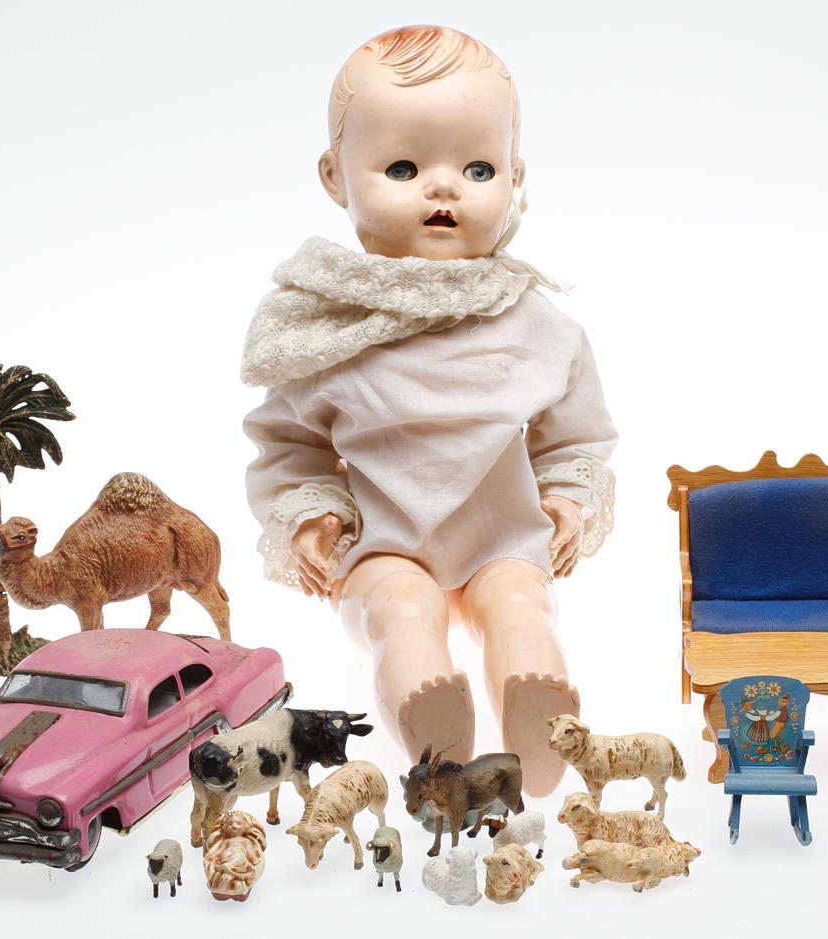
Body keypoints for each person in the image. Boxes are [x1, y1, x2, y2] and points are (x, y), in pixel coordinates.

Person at [240, 25, 616, 795]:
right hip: (385, 541)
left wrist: (567, 499)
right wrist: (311, 513)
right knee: (402, 610)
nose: (443, 189)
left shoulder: (534, 322)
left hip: (500, 535)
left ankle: (539, 714)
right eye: (404, 168)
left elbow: (574, 434)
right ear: (335, 176)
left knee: (519, 601)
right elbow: (288, 444)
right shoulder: (327, 327)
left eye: (478, 168)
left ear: (516, 175)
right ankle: (431, 726)